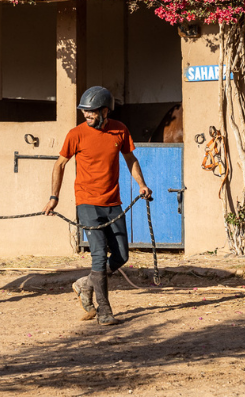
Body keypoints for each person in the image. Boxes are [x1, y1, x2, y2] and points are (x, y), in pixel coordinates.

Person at [43, 85, 152, 326]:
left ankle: (85, 284)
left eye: (91, 112)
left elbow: (130, 158)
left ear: (105, 111)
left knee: (122, 255)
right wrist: (54, 197)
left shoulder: (120, 131)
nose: (87, 115)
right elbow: (59, 165)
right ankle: (104, 310)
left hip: (113, 202)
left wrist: (142, 184)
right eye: (84, 112)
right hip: (87, 203)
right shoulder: (76, 134)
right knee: (99, 256)